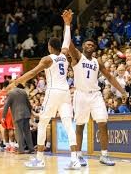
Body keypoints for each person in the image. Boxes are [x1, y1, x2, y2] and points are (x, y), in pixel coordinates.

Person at [63, 10, 127, 166]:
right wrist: (67, 24)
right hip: (80, 94)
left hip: (96, 95)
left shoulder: (97, 62)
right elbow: (68, 43)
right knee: (80, 126)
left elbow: (110, 77)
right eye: (87, 44)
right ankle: (78, 155)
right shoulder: (78, 56)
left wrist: (122, 91)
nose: (90, 46)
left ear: (95, 48)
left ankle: (104, 155)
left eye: (92, 45)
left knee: (103, 123)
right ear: (83, 46)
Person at [9, 36, 81, 169]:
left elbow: (32, 73)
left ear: (50, 47)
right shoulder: (65, 56)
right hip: (65, 92)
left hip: (53, 92)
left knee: (42, 124)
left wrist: (15, 82)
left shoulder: (47, 59)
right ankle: (75, 160)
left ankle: (40, 159)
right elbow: (66, 41)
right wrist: (67, 23)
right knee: (69, 125)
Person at [2, 84, 34, 154]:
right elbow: (28, 104)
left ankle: (21, 150)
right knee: (27, 132)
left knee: (19, 132)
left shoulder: (10, 93)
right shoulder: (23, 91)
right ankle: (31, 148)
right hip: (26, 114)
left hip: (17, 115)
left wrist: (3, 116)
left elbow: (6, 105)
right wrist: (30, 112)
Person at [0, 80, 15, 151]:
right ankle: (12, 146)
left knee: (5, 128)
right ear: (8, 85)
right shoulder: (11, 92)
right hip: (9, 110)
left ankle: (7, 145)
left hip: (1, 111)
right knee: (10, 128)